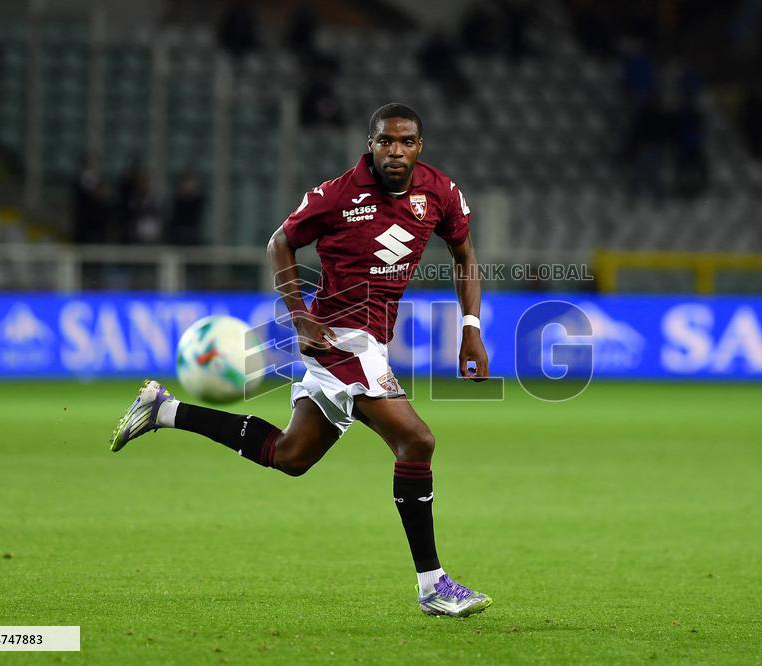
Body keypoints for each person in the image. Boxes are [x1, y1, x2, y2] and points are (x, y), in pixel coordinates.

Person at [108, 103, 493, 618]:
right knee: (417, 441)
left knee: (290, 457)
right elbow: (280, 244)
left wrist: (471, 329)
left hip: (369, 341)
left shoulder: (439, 192)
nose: (395, 151)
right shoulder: (336, 195)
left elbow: (465, 256)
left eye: (405, 142)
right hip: (338, 338)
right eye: (385, 142)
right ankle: (433, 585)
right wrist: (300, 317)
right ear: (370, 144)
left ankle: (164, 410)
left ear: (420, 146)